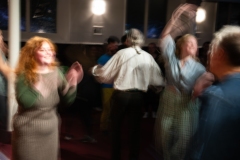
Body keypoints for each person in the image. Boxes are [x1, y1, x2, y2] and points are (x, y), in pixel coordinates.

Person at [90, 28, 165, 160]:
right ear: (141, 40)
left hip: (121, 96)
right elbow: (158, 81)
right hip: (138, 97)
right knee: (135, 131)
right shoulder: (147, 56)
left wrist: (95, 70)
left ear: (128, 40)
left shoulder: (122, 54)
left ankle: (116, 157)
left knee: (116, 128)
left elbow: (106, 74)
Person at [154, 3, 211, 160]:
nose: (193, 45)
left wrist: (203, 83)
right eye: (190, 42)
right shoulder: (172, 59)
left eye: (195, 43)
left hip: (187, 105)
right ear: (181, 45)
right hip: (169, 102)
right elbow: (165, 39)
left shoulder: (199, 67)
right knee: (164, 135)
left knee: (184, 139)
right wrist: (176, 16)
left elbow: (207, 81)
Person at [12, 36, 83, 160]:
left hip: (50, 132)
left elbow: (67, 102)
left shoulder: (56, 72)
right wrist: (44, 81)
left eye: (50, 49)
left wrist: (72, 82)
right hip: (27, 133)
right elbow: (26, 102)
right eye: (43, 50)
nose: (48, 52)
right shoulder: (24, 74)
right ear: (32, 54)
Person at [185, 25, 240, 160]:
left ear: (219, 54)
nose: (207, 54)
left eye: (211, 50)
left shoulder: (219, 97)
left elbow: (205, 149)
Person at [98, 36, 119, 135]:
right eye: (113, 44)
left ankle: (112, 126)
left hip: (117, 86)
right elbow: (99, 73)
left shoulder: (118, 57)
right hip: (107, 86)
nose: (115, 47)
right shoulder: (103, 58)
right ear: (108, 46)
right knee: (107, 108)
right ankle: (104, 128)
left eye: (116, 45)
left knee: (115, 109)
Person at [143, 42, 161, 118]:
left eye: (152, 47)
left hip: (156, 80)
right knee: (146, 97)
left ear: (155, 48)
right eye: (149, 47)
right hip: (147, 79)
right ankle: (146, 111)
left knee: (155, 97)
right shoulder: (145, 56)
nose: (151, 49)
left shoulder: (159, 58)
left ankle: (154, 111)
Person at [0, 30, 11, 130]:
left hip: (3, 87)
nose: (1, 38)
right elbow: (3, 67)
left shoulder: (1, 49)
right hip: (1, 88)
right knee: (4, 115)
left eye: (1, 35)